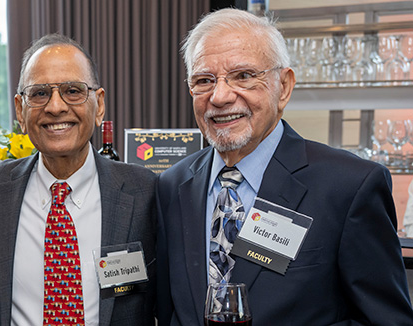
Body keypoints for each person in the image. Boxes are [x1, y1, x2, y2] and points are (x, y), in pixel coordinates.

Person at [156, 8, 413, 326]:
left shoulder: (350, 186)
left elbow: (386, 320)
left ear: (284, 87)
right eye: (204, 80)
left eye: (244, 76)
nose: (220, 96)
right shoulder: (171, 185)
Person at [0, 34, 157, 325]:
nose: (55, 107)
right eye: (39, 93)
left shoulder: (145, 193)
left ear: (100, 104)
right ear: (20, 109)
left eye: (73, 91)